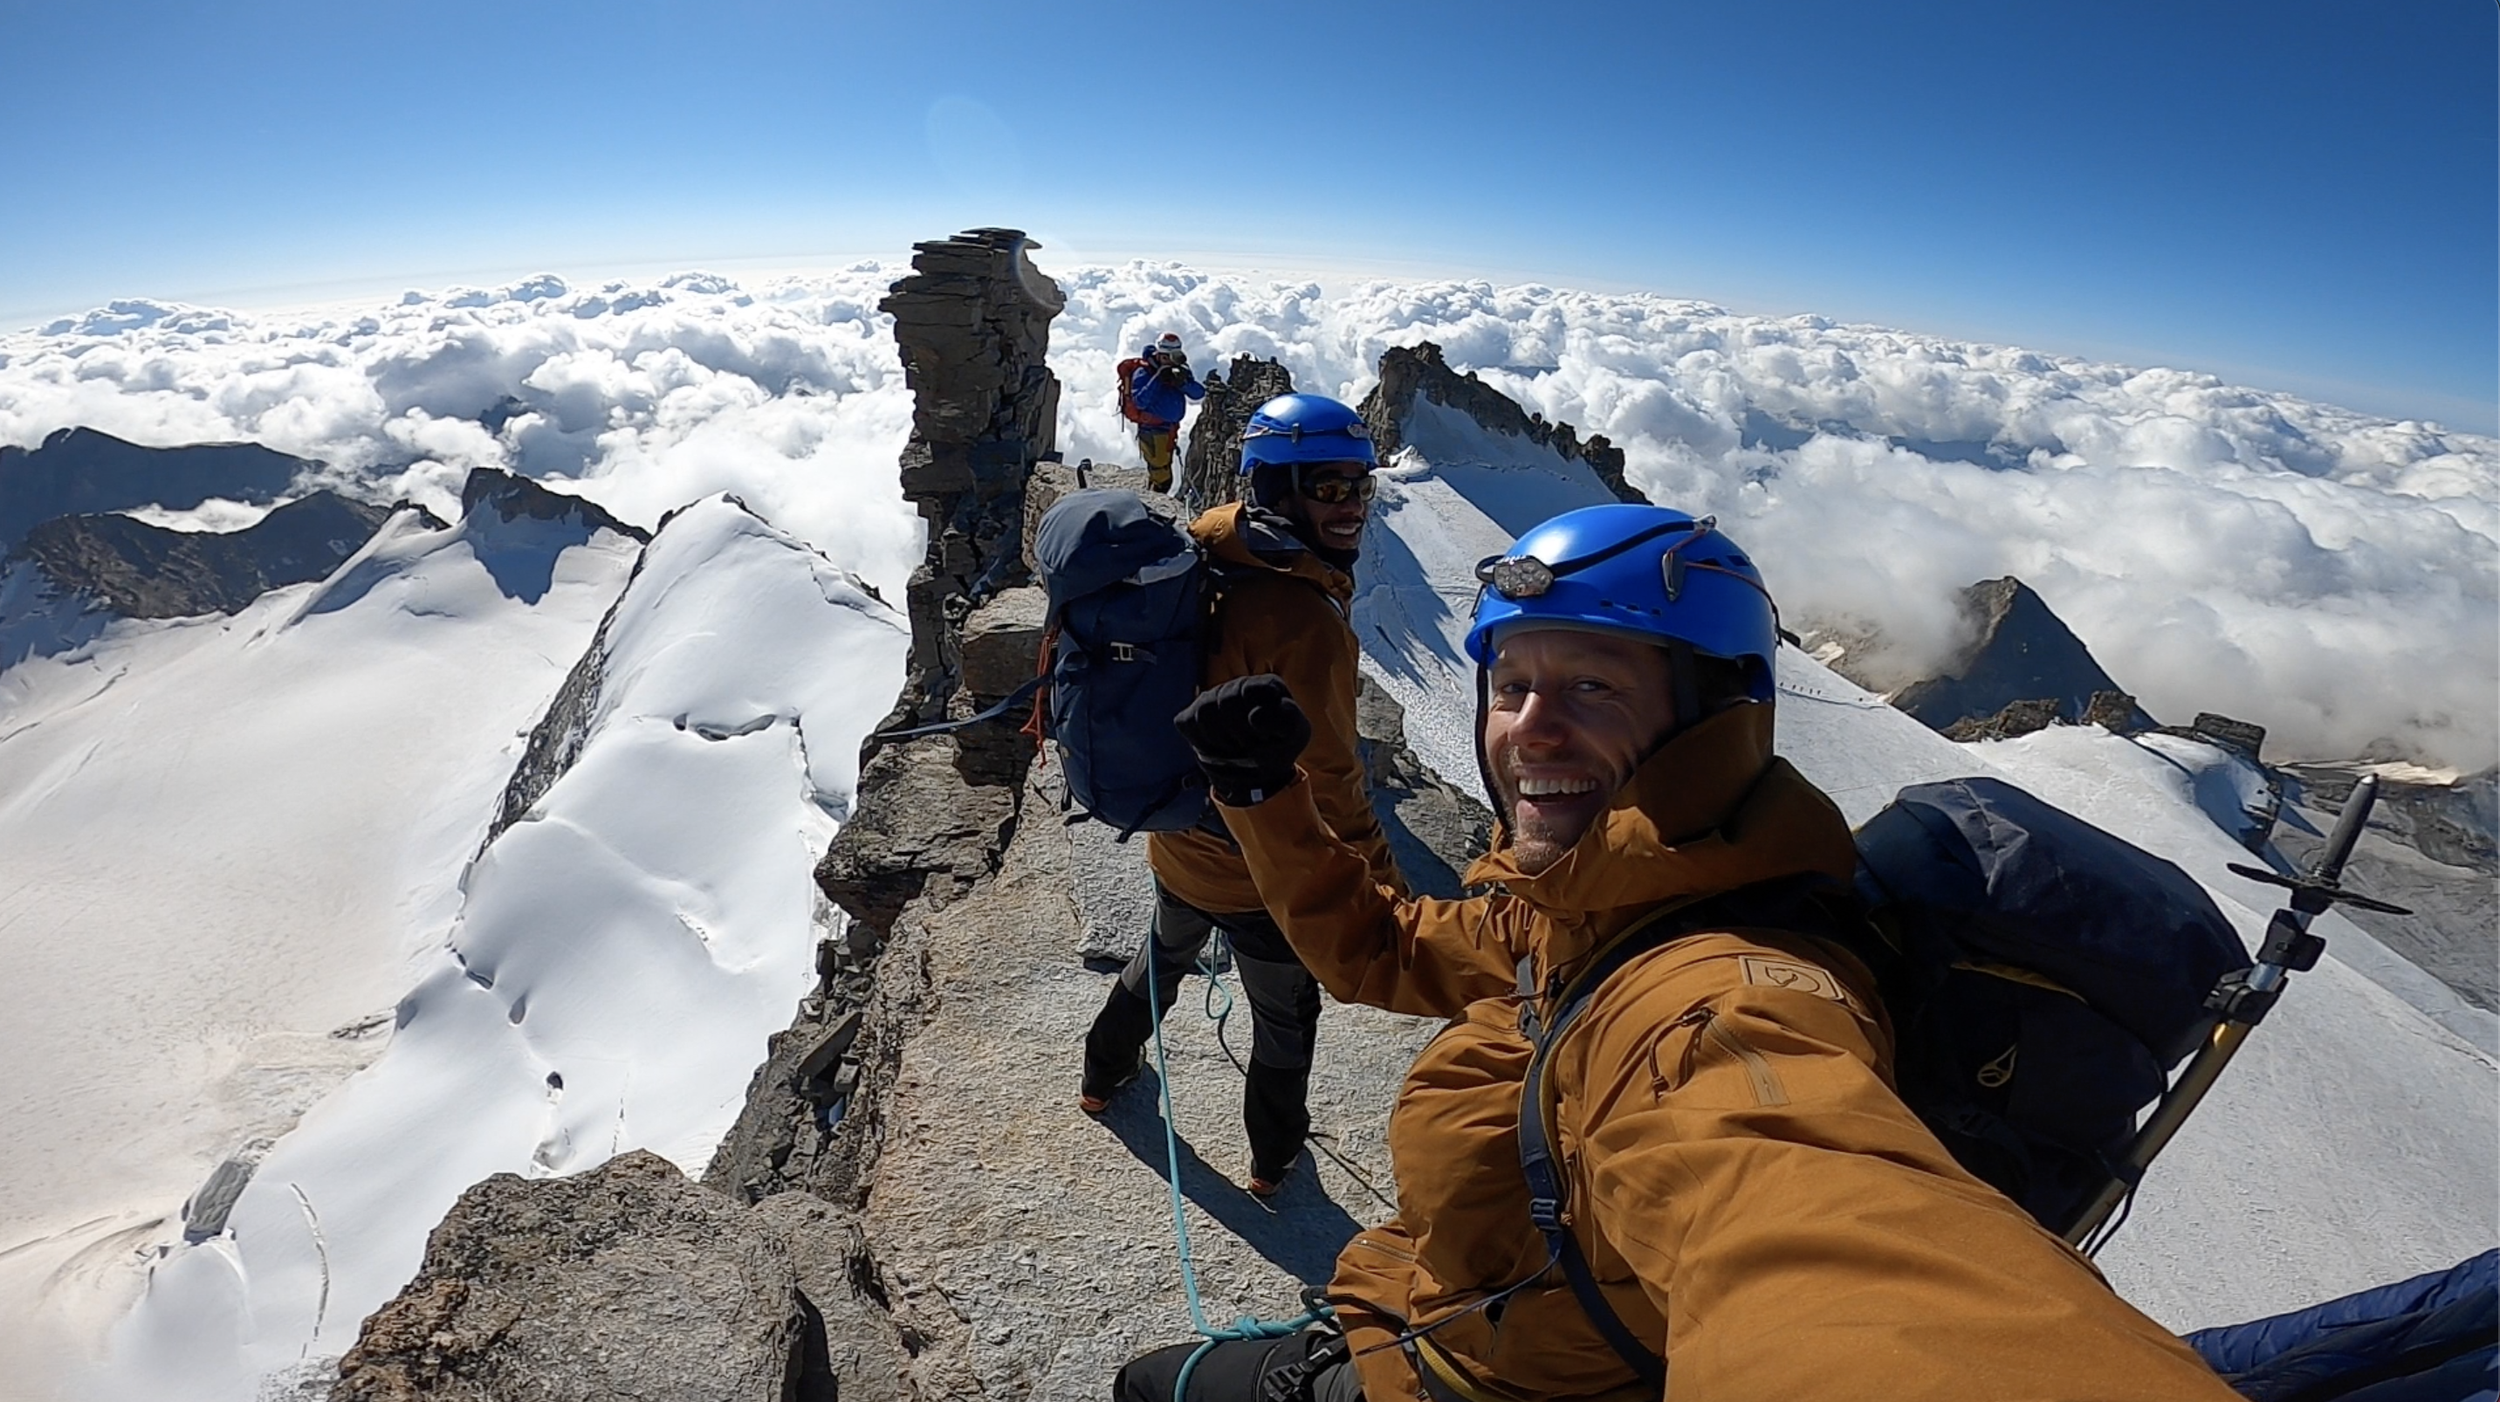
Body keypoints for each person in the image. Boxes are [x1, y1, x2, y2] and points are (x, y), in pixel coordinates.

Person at [1115, 504, 2244, 1400]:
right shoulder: (1575, 905)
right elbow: (1382, 952)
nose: (1529, 730)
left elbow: (1814, 1234)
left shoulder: (1718, 997)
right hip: (1425, 1319)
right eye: (1510, 686)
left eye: (1594, 686)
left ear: (1716, 720)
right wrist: (1267, 801)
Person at [1078, 393, 1403, 1199]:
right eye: (1330, 489)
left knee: (1162, 955)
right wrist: (1383, 886)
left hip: (1180, 837)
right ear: (1276, 489)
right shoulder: (1300, 617)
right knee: (1284, 1018)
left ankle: (1100, 1075)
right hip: (1261, 872)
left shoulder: (1206, 546)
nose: (1354, 506)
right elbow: (1329, 776)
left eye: (1362, 487)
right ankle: (1272, 1162)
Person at [1127, 332, 1205, 492]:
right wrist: (1158, 378)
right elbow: (1140, 401)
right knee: (1161, 475)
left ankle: (1151, 497)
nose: (1170, 361)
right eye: (1166, 357)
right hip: (1151, 431)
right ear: (1159, 355)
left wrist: (1182, 382)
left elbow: (1198, 393)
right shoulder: (1144, 372)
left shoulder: (1179, 371)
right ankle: (1153, 501)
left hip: (1169, 430)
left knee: (1162, 469)